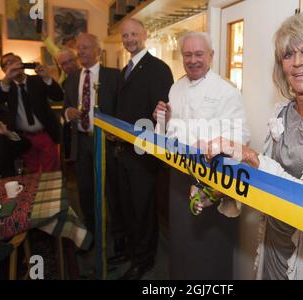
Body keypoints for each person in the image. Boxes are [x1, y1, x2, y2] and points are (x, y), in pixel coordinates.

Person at [202, 13, 303, 280]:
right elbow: (266, 179)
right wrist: (225, 186)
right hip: (274, 245)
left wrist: (251, 156)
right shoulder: (281, 114)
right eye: (288, 55)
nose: (297, 62)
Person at [153, 32, 250, 280]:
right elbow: (167, 136)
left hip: (211, 179)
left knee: (209, 251)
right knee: (181, 246)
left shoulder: (227, 91)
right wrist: (160, 120)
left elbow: (241, 136)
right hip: (178, 178)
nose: (193, 60)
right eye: (188, 54)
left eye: (199, 54)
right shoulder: (176, 87)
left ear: (211, 56)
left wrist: (213, 145)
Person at [115, 18, 173, 280]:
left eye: (133, 34)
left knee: (143, 209)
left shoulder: (158, 68)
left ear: (144, 34)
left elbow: (161, 116)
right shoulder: (125, 69)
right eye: (125, 35)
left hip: (143, 153)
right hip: (124, 151)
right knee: (127, 205)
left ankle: (145, 260)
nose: (129, 39)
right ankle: (132, 249)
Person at [63, 33, 120, 238]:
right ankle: (92, 235)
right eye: (79, 47)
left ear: (98, 51)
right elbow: (66, 106)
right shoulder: (71, 78)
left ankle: (117, 237)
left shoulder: (114, 76)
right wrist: (68, 113)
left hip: (106, 143)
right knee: (85, 193)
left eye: (86, 47)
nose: (81, 51)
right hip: (81, 143)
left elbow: (120, 109)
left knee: (112, 192)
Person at [0, 53, 63, 173]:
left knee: (51, 173)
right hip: (24, 138)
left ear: (21, 63)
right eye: (7, 64)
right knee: (31, 173)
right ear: (4, 70)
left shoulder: (37, 79)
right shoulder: (4, 86)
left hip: (46, 134)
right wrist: (7, 78)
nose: (12, 65)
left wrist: (47, 78)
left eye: (15, 61)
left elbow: (58, 96)